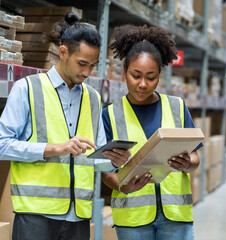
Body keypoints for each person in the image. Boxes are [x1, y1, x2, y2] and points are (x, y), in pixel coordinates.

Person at [0, 13, 130, 240]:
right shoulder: (26, 89)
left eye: (92, 65)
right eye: (82, 63)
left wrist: (112, 160)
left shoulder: (93, 98)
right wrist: (55, 148)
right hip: (35, 215)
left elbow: (93, 157)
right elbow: (2, 145)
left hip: (78, 217)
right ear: (63, 52)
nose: (87, 72)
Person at [101, 24, 203, 240]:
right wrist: (123, 186)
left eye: (151, 77)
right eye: (136, 75)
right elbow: (105, 171)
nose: (143, 84)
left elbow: (195, 157)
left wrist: (187, 164)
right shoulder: (110, 114)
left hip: (175, 217)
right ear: (125, 72)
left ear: (160, 76)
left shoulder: (176, 107)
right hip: (132, 218)